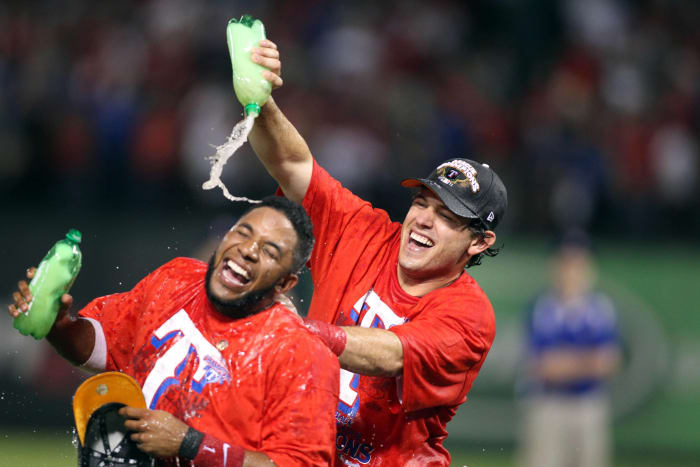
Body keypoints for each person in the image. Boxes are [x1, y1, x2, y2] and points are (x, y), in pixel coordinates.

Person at [246, 40, 508, 465]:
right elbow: (294, 166)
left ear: (479, 242)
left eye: (447, 216)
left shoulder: (470, 316)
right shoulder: (364, 233)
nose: (422, 219)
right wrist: (259, 99)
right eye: (422, 203)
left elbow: (393, 353)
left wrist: (300, 332)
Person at [8, 196, 339, 467]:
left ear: (285, 283)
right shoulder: (175, 280)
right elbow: (106, 346)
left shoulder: (303, 353)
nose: (248, 250)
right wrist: (58, 325)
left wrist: (191, 444)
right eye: (242, 232)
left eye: (269, 252)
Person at [517, 232, 621, 467]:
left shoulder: (600, 309)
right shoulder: (541, 307)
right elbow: (543, 367)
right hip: (549, 405)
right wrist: (588, 362)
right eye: (567, 263)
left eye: (579, 263)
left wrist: (567, 362)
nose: (572, 271)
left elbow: (609, 363)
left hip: (588, 405)